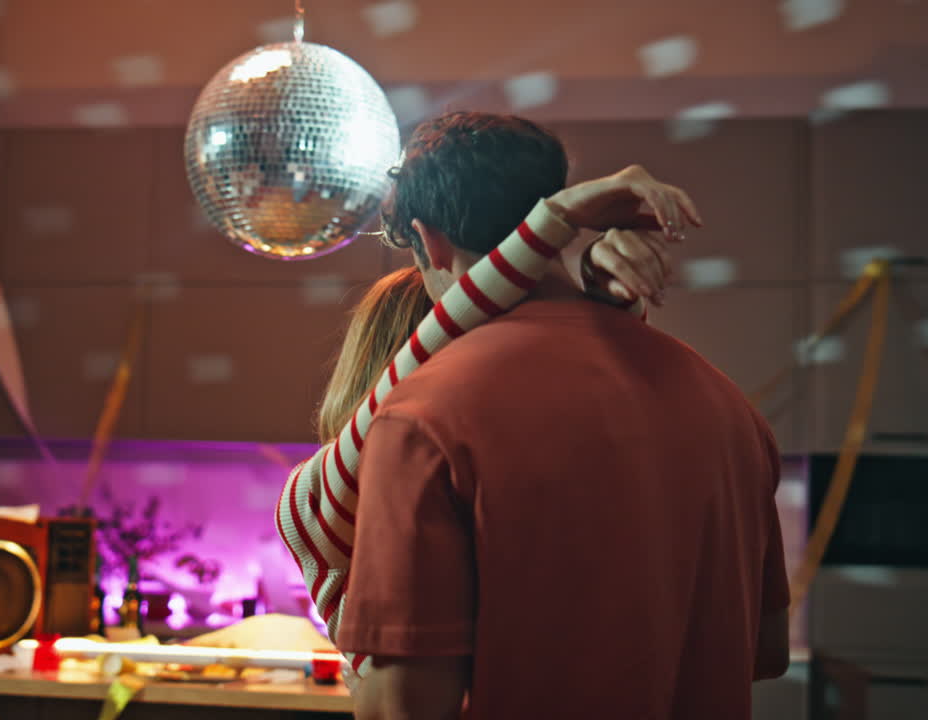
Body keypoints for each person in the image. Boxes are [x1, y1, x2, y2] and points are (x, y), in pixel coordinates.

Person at [328, 112, 789, 720]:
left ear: (429, 239)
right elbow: (767, 650)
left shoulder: (421, 418)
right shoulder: (727, 407)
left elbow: (406, 709)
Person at [278, 188, 683, 683]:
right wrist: (553, 227)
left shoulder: (333, 500)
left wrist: (603, 294)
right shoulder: (319, 491)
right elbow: (426, 362)